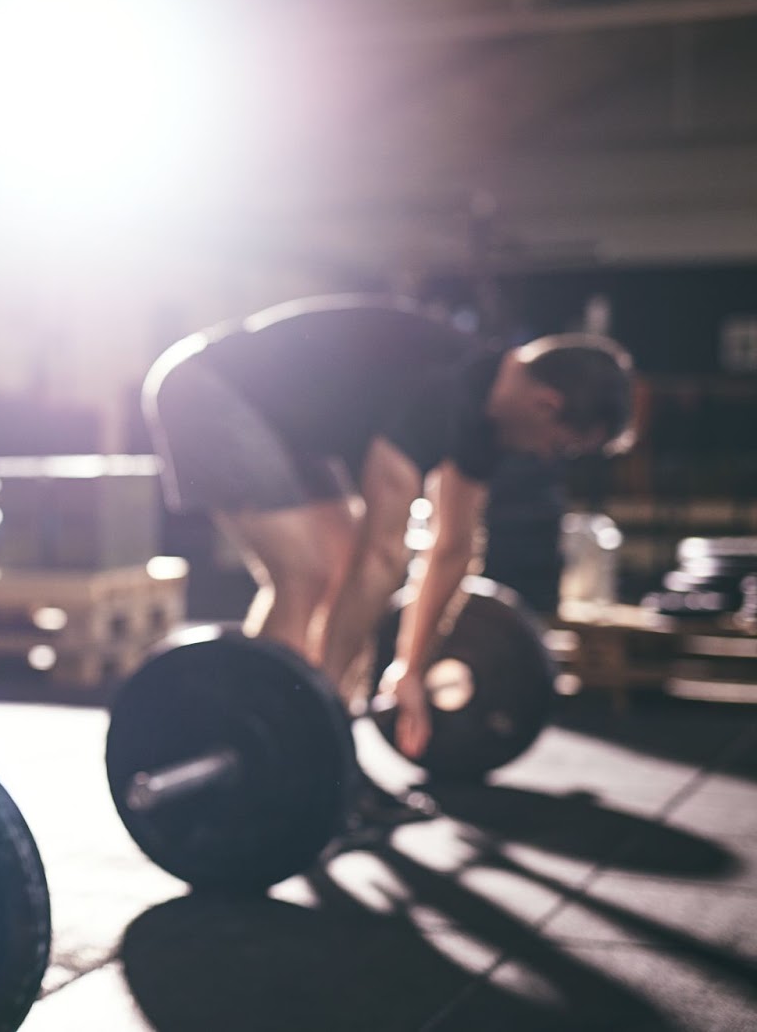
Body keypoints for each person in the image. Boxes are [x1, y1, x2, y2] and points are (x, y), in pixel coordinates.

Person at [142, 294, 634, 808]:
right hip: (207, 387)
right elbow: (383, 553)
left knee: (345, 573)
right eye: (561, 446)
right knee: (310, 574)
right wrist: (323, 717)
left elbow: (453, 551)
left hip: (287, 424)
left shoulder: (485, 416)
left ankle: (305, 739)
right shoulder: (440, 389)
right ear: (546, 405)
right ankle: (268, 738)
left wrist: (410, 671)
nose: (546, 456)